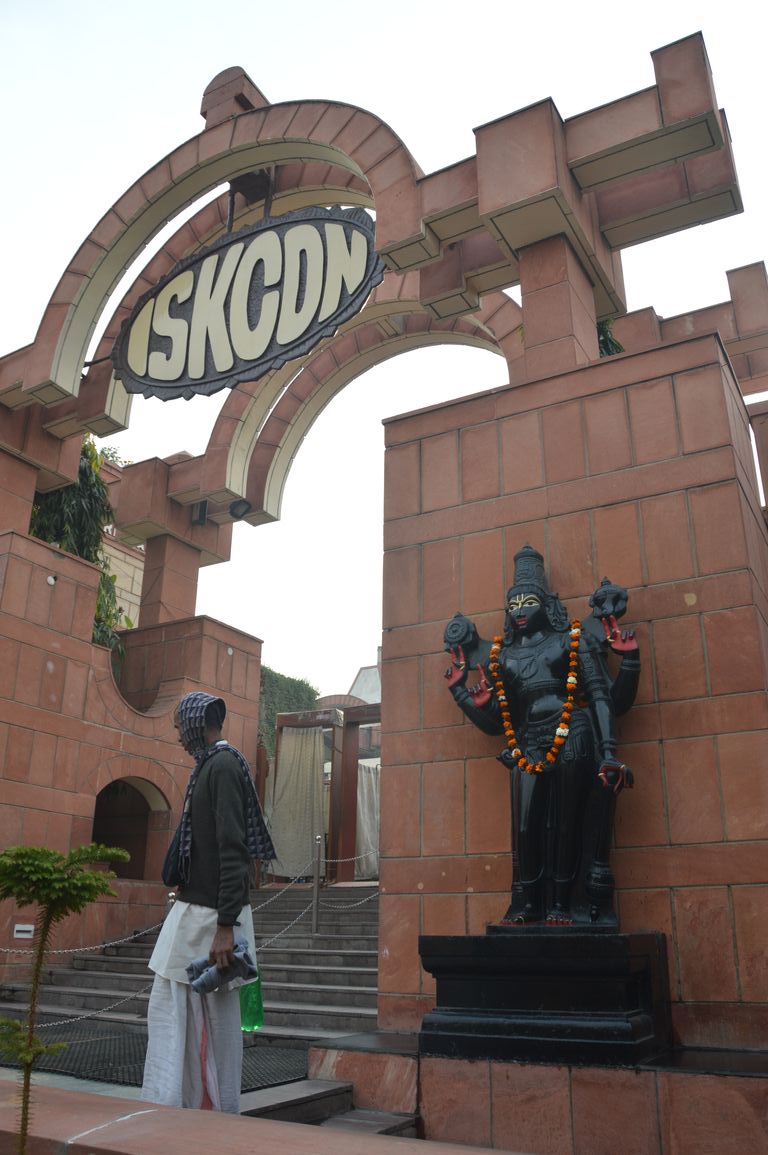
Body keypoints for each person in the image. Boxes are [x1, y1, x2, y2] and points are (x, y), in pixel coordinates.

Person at [444, 545, 639, 927]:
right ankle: (527, 902)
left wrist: (608, 752)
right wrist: (461, 694)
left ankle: (562, 903)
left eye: (528, 602)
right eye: (513, 604)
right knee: (525, 825)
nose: (519, 611)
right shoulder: (504, 657)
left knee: (567, 823)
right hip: (528, 741)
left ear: (546, 605)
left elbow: (600, 695)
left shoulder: (571, 640)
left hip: (572, 732)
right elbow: (497, 722)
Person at [141, 691, 276, 1113]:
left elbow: (234, 850)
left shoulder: (221, 766)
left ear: (195, 725)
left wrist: (225, 926)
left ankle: (200, 1118)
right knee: (176, 1018)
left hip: (211, 921)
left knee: (207, 1027)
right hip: (200, 915)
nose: (178, 737)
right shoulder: (211, 766)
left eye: (180, 728)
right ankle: (178, 1111)